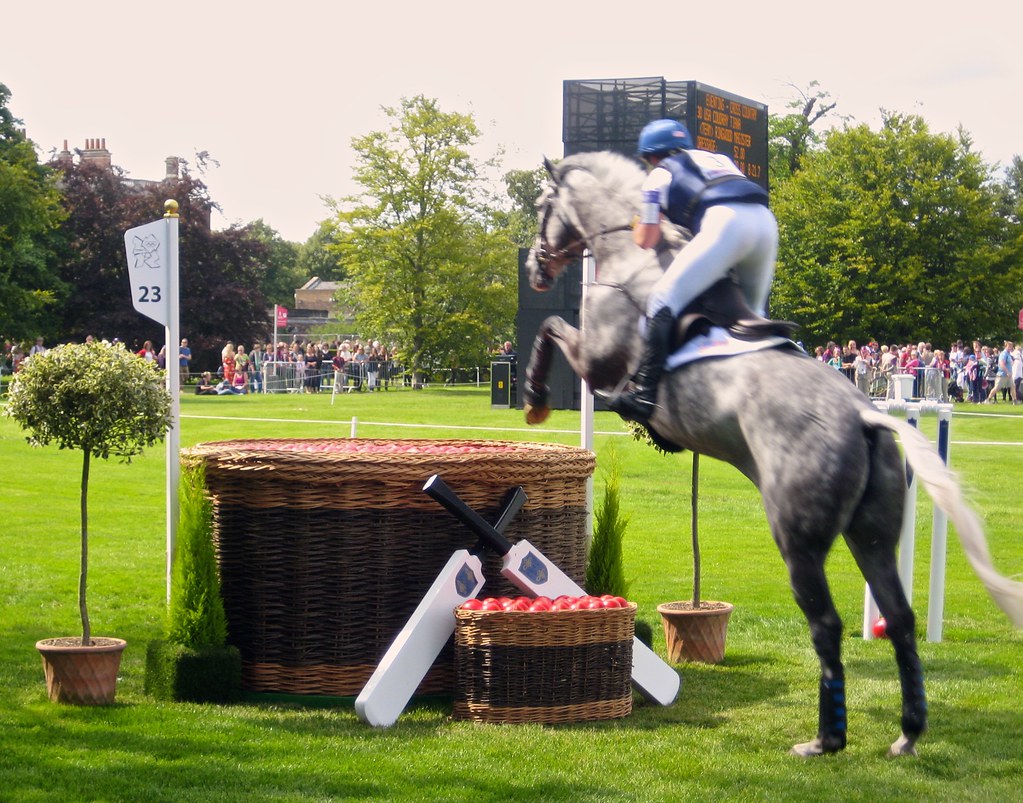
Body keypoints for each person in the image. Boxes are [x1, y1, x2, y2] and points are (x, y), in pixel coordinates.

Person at [605, 118, 777, 424]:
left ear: (651, 156)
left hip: (726, 225)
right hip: (765, 223)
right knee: (753, 320)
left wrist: (636, 224)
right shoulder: (719, 159)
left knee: (660, 300)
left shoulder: (658, 175)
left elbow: (647, 239)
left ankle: (644, 395)